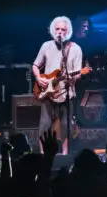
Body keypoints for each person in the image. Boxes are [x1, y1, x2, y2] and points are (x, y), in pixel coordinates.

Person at [33, 16, 83, 155]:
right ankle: (43, 153)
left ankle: (65, 153)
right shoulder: (46, 46)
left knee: (65, 126)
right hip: (48, 92)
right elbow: (36, 65)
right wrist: (38, 78)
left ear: (68, 32)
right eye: (57, 29)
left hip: (66, 93)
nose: (60, 32)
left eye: (63, 30)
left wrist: (74, 78)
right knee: (44, 125)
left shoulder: (76, 49)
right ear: (52, 30)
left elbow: (78, 73)